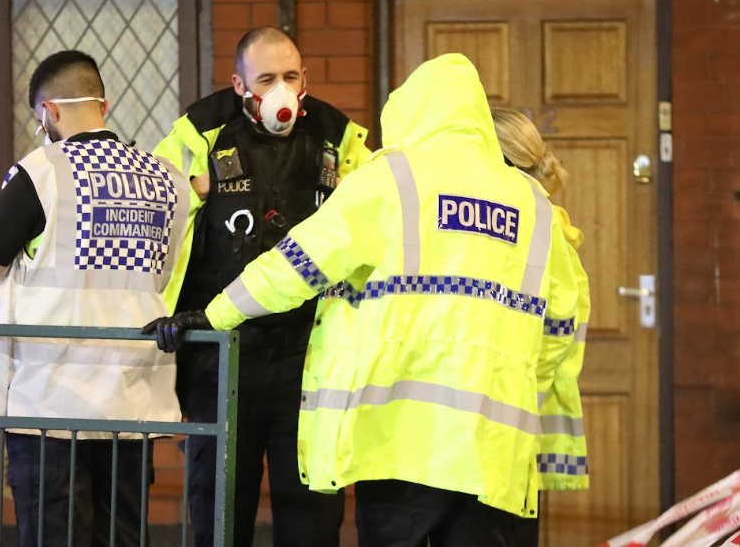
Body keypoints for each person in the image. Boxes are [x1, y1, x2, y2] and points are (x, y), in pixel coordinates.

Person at [144, 53, 588, 547]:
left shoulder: (393, 180)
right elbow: (561, 331)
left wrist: (214, 314)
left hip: (399, 446)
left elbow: (295, 266)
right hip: (498, 459)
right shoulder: (536, 207)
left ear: (412, 112)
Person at [0, 50, 192, 547]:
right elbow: (161, 275)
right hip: (132, 401)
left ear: (49, 113)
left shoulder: (40, 172)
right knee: (122, 534)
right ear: (104, 105)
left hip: (50, 401)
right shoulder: (168, 180)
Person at [150, 26, 370, 547]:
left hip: (309, 359)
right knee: (219, 514)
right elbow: (157, 228)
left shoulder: (339, 142)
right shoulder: (198, 138)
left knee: (313, 519)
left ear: (305, 79)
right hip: (221, 358)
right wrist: (192, 197)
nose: (281, 91)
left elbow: (370, 232)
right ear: (238, 83)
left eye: (291, 77)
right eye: (266, 78)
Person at [491, 108, 591, 547]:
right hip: (519, 420)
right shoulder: (543, 219)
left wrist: (515, 389)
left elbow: (557, 330)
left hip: (506, 420)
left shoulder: (530, 222)